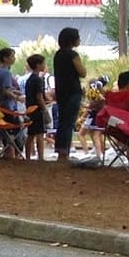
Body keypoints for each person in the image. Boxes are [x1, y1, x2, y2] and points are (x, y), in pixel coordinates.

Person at [51, 28, 85, 162]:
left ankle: (60, 151)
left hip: (61, 92)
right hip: (73, 91)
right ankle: (65, 152)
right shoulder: (72, 55)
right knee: (69, 122)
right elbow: (82, 72)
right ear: (72, 40)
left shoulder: (58, 54)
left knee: (62, 121)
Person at [22, 54, 49, 161]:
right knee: (39, 134)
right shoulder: (38, 80)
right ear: (38, 65)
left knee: (31, 134)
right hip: (37, 109)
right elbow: (39, 96)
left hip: (30, 108)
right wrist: (44, 109)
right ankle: (40, 157)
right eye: (43, 63)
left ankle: (28, 156)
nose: (45, 65)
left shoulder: (30, 80)